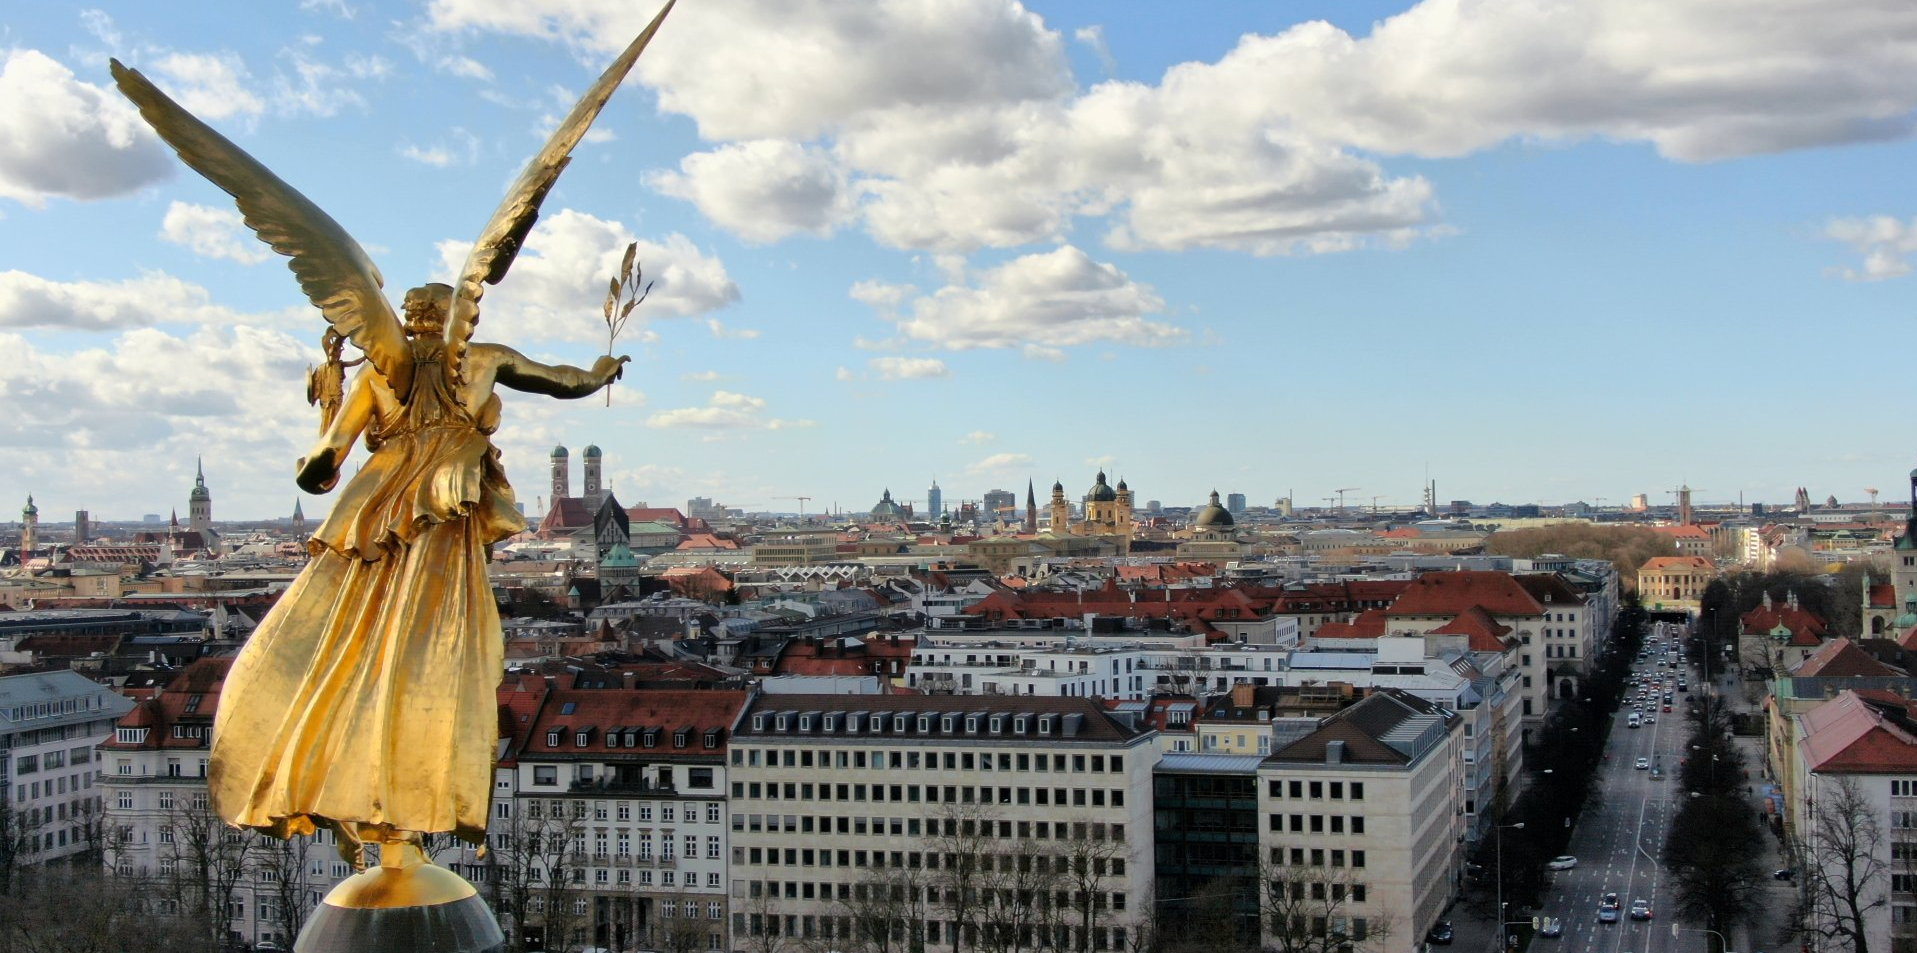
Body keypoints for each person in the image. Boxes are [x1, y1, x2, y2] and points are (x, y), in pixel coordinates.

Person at [210, 283, 625, 860]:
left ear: (405, 320)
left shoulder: (379, 373)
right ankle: (404, 798)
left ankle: (359, 787)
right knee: (435, 649)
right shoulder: (482, 358)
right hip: (443, 513)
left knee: (359, 644)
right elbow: (562, 380)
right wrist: (601, 372)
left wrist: (322, 420)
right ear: (455, 316)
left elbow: (322, 468)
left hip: (374, 516)